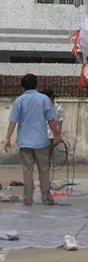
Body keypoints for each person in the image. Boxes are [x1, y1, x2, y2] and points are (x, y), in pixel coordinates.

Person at [3, 74, 62, 206]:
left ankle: (28, 199)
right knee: (44, 169)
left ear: (23, 86)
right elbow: (52, 120)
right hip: (41, 141)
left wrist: (7, 138)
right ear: (37, 84)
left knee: (27, 170)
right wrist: (57, 135)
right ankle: (46, 198)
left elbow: (13, 121)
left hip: (24, 141)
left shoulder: (19, 101)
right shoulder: (44, 99)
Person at [41, 89, 64, 164]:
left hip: (51, 135)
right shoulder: (41, 107)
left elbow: (59, 123)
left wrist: (57, 135)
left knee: (47, 155)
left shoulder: (58, 108)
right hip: (41, 134)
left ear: (51, 97)